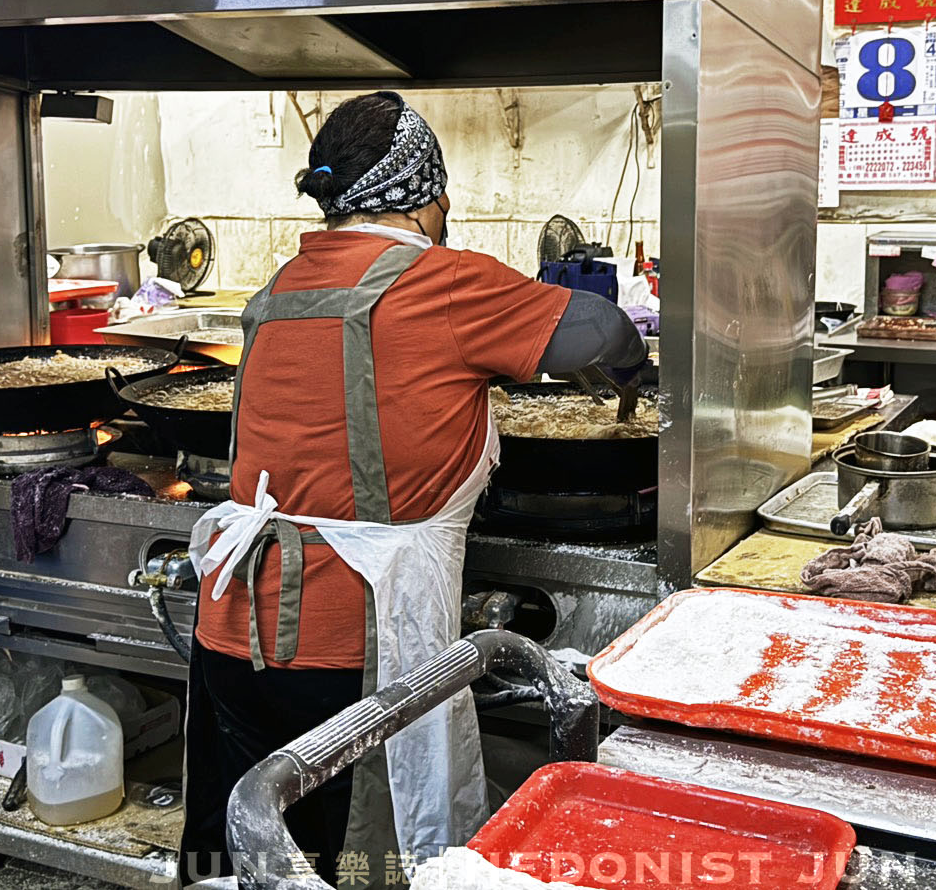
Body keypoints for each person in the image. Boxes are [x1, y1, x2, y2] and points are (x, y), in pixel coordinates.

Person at [180, 91, 646, 888]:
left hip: (230, 624)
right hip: (348, 636)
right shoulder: (442, 282)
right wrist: (631, 379)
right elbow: (603, 328)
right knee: (353, 861)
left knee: (244, 851)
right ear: (428, 198)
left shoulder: (284, 284)